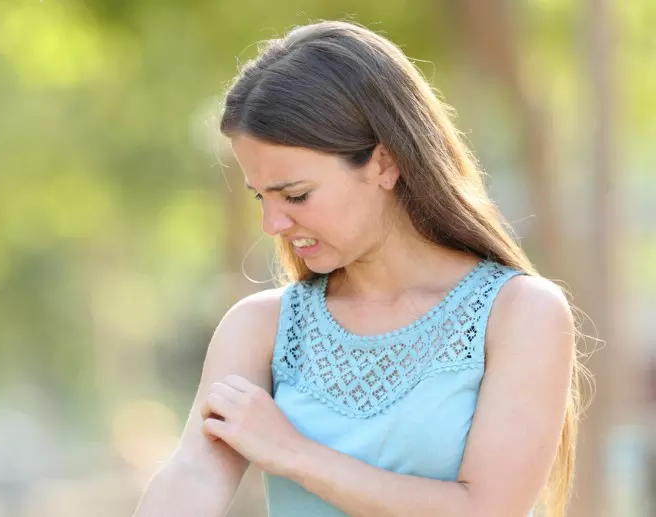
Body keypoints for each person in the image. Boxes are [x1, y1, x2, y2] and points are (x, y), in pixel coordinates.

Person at [133, 20, 582, 517]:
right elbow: (194, 472)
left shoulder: (520, 313)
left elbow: (487, 510)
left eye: (296, 195)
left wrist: (295, 453)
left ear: (384, 163)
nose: (272, 223)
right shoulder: (261, 327)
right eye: (261, 197)